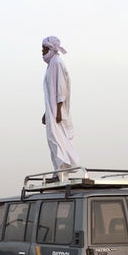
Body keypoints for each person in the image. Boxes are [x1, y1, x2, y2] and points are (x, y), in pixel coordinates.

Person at [41, 36, 79, 182]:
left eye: (44, 48)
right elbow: (51, 92)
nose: (42, 51)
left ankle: (60, 174)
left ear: (50, 48)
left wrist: (57, 110)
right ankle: (58, 173)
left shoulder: (56, 63)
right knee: (54, 141)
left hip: (58, 111)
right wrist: (47, 112)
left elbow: (60, 89)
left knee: (58, 141)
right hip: (53, 110)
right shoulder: (52, 64)